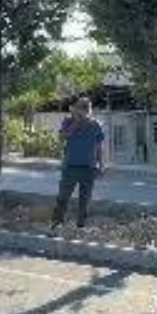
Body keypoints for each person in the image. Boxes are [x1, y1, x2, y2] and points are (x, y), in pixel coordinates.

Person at [52, 97, 105, 231]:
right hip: (70, 167)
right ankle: (57, 223)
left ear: (89, 110)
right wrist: (76, 122)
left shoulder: (95, 125)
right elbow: (62, 137)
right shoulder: (68, 121)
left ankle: (81, 226)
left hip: (89, 168)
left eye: (86, 108)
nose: (83, 110)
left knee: (85, 200)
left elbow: (99, 147)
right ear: (75, 108)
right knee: (63, 197)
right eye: (80, 107)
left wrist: (101, 164)